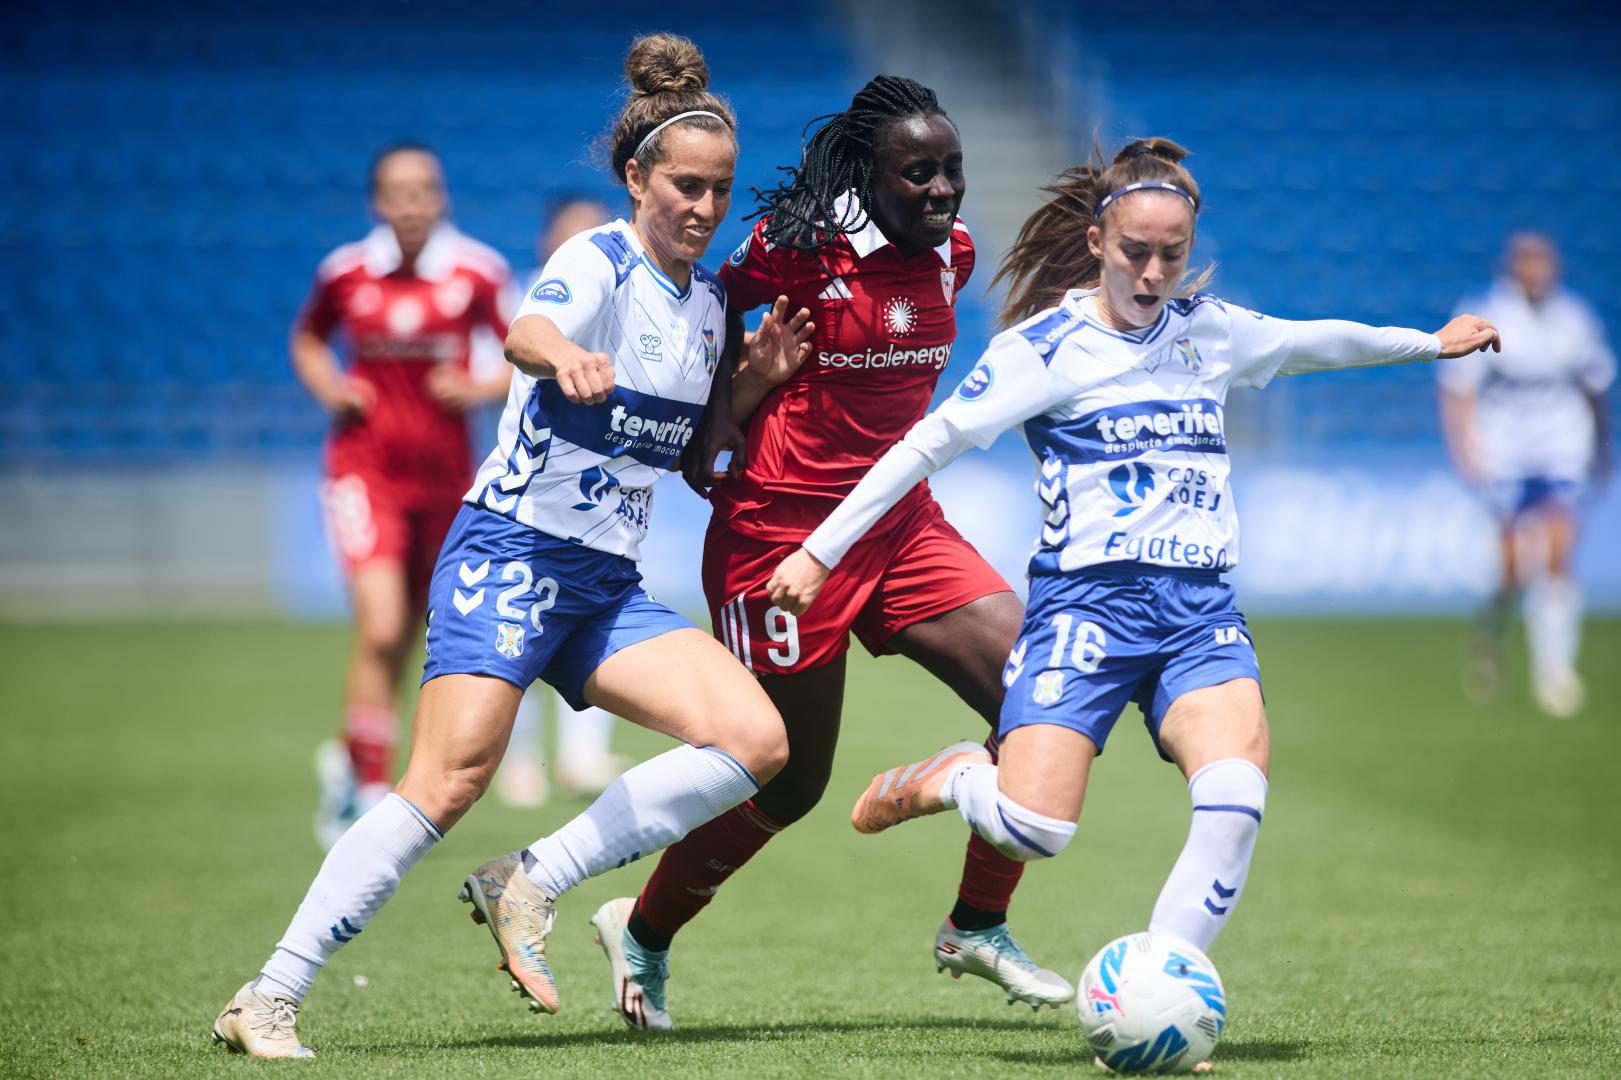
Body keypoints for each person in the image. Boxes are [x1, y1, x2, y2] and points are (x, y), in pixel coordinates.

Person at [764, 140, 1500, 1004]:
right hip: (1087, 610)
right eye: (1135, 252)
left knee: (1233, 799)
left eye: (1171, 255)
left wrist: (1428, 345)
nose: (1152, 273)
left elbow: (1314, 341)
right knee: (1035, 828)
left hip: (1198, 613)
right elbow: (929, 445)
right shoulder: (1044, 349)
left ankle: (1160, 993)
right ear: (1095, 242)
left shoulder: (1210, 332)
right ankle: (958, 775)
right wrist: (822, 549)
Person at [213, 33, 795, 1058]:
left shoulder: (709, 306)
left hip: (605, 582)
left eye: (720, 190)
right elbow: (528, 332)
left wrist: (753, 383)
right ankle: (268, 992)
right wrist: (563, 354)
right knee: (448, 778)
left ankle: (531, 879)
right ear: (636, 178)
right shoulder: (598, 260)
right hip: (513, 554)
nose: (704, 209)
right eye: (685, 187)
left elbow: (700, 453)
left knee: (756, 741)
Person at [588, 75, 1070, 1035]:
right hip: (779, 536)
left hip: (899, 524)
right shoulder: (798, 247)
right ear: (869, 176)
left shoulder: (953, 256)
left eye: (952, 171)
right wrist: (731, 405)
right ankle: (640, 928)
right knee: (790, 780)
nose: (942, 191)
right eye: (918, 173)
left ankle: (976, 921)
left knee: (1041, 695)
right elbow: (708, 317)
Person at [293, 143, 515, 849]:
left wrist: (477, 387)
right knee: (384, 625)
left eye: (425, 190)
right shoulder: (346, 272)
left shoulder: (477, 273)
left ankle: (349, 757)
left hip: (447, 481)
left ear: (441, 197)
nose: (413, 203)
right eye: (398, 192)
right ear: (377, 202)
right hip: (364, 471)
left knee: (419, 633)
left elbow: (526, 356)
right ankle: (364, 792)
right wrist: (332, 386)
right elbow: (307, 340)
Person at [495, 194, 633, 808]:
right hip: (521, 491)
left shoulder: (632, 300)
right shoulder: (518, 299)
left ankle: (580, 757)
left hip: (601, 500)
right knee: (517, 630)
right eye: (572, 233)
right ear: (548, 241)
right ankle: (518, 759)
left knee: (591, 626)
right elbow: (503, 355)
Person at [1439, 232, 1613, 717]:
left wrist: (1603, 447)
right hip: (1506, 452)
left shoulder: (1573, 320)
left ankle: (1555, 671)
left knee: (1558, 554)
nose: (1539, 273)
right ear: (1514, 268)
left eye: (1545, 264)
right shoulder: (1488, 313)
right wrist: (1465, 448)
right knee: (1514, 568)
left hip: (1561, 448)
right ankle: (1491, 632)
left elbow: (1595, 389)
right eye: (1530, 264)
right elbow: (1459, 388)